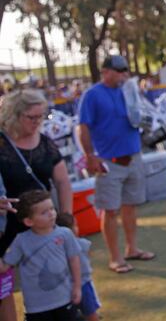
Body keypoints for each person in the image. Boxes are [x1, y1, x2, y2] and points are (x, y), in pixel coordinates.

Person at [78, 55, 155, 274]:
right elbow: (83, 127)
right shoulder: (92, 95)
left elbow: (142, 115)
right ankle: (115, 257)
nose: (123, 74)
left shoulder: (128, 90)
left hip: (133, 156)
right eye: (119, 70)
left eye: (125, 71)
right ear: (106, 72)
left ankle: (132, 248)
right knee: (110, 210)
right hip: (109, 162)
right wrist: (89, 155)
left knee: (131, 206)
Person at [0, 89, 72, 321]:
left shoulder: (45, 142)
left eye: (41, 116)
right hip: (7, 225)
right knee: (4, 287)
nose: (38, 122)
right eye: (32, 117)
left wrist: (67, 217)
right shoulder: (2, 143)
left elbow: (62, 181)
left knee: (52, 278)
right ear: (14, 115)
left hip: (43, 224)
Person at [0, 190, 81, 320]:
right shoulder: (21, 241)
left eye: (52, 208)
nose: (51, 214)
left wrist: (77, 286)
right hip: (36, 308)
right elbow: (4, 267)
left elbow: (74, 259)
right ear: (29, 221)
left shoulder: (65, 234)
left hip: (65, 299)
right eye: (44, 212)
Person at [56, 212, 101, 321]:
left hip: (65, 287)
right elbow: (89, 253)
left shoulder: (56, 248)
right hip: (84, 283)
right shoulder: (82, 244)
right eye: (75, 225)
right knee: (90, 311)